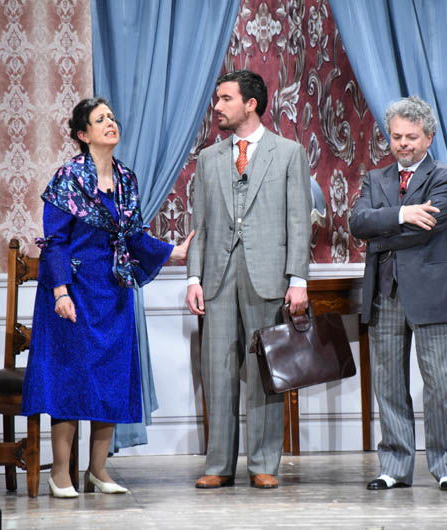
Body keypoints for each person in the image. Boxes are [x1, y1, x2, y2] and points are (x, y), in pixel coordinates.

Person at [22, 97, 193, 498]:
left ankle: (98, 470)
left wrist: (174, 253)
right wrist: (60, 292)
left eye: (112, 117)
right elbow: (54, 242)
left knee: (110, 380)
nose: (110, 123)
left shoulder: (126, 179)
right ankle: (60, 473)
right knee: (70, 380)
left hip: (113, 290)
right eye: (100, 120)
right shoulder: (68, 178)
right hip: (73, 291)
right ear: (83, 134)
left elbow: (133, 236)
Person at [185, 70, 311, 489]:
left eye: (225, 99)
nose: (217, 107)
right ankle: (219, 465)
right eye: (217, 99)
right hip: (218, 277)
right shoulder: (209, 159)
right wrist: (194, 277)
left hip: (268, 276)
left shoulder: (288, 153)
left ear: (250, 104)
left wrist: (298, 280)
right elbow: (200, 224)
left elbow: (298, 221)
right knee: (217, 369)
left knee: (264, 370)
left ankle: (263, 463)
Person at [350, 96, 447, 492]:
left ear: (428, 138)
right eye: (397, 136)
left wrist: (380, 234)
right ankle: (395, 467)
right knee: (388, 385)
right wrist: (401, 214)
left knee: (441, 385)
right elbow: (358, 223)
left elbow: (427, 227)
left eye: (411, 137)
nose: (403, 144)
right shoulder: (375, 179)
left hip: (431, 295)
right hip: (384, 294)